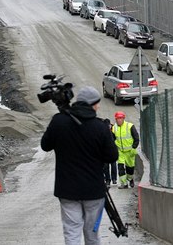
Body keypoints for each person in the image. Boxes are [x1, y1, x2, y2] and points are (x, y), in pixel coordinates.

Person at [41, 86, 118, 245]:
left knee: (71, 232)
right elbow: (112, 156)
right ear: (93, 104)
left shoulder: (59, 121)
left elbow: (45, 145)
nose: (98, 106)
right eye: (97, 103)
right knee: (92, 235)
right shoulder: (100, 127)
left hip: (67, 190)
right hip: (94, 191)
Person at [112, 111, 140, 189]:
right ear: (116, 119)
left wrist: (134, 147)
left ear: (124, 118)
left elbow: (136, 138)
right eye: (117, 118)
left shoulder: (130, 126)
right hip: (120, 151)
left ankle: (130, 179)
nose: (119, 120)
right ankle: (124, 184)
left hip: (130, 151)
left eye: (121, 118)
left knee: (130, 168)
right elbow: (112, 139)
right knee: (120, 167)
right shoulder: (114, 128)